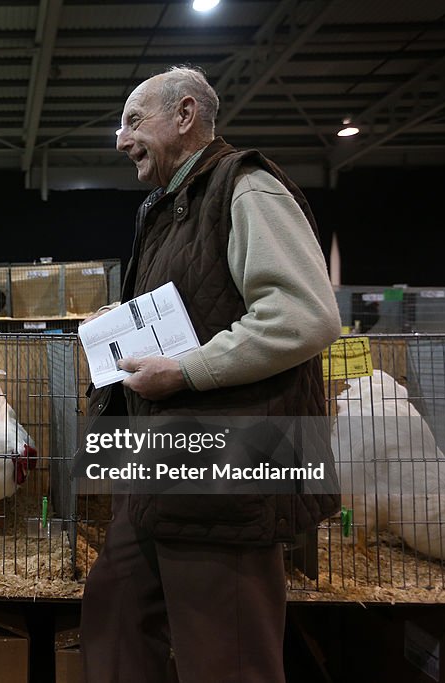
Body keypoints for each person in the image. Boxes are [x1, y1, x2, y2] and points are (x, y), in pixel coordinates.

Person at [79, 66, 341, 682]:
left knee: (226, 655)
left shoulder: (244, 187)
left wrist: (186, 371)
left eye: (134, 121)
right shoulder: (172, 207)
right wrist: (124, 322)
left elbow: (304, 315)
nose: (121, 139)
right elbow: (204, 305)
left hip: (228, 475)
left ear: (186, 114)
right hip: (164, 467)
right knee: (115, 614)